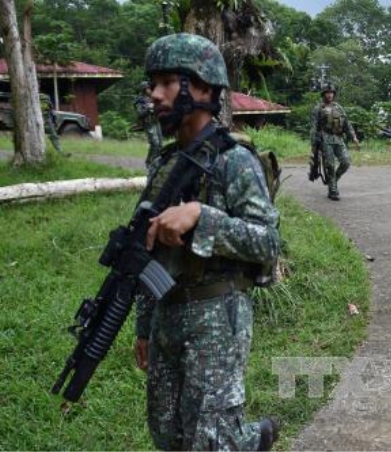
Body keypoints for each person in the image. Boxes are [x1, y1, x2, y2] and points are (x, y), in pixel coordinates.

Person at [133, 32, 280, 451]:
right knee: (168, 433)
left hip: (218, 313)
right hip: (167, 314)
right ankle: (250, 440)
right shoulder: (163, 162)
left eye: (166, 82)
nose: (154, 95)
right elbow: (147, 252)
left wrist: (202, 216)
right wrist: (145, 326)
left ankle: (250, 440)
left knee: (211, 441)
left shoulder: (234, 161)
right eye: (151, 84)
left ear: (201, 86)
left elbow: (267, 242)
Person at [309, 83, 359, 200]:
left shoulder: (339, 107)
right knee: (330, 165)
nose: (330, 95)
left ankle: (333, 180)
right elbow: (313, 127)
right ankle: (333, 190)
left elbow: (346, 123)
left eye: (331, 93)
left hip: (338, 138)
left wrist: (353, 137)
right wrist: (313, 144)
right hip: (325, 138)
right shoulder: (318, 109)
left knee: (346, 162)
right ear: (323, 94)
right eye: (327, 93)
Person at [133, 81, 164, 168]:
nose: (150, 90)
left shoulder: (152, 98)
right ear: (144, 89)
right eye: (148, 88)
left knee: (160, 144)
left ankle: (156, 162)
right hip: (148, 123)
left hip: (156, 122)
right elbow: (140, 114)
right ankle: (149, 162)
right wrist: (148, 108)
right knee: (155, 143)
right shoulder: (140, 101)